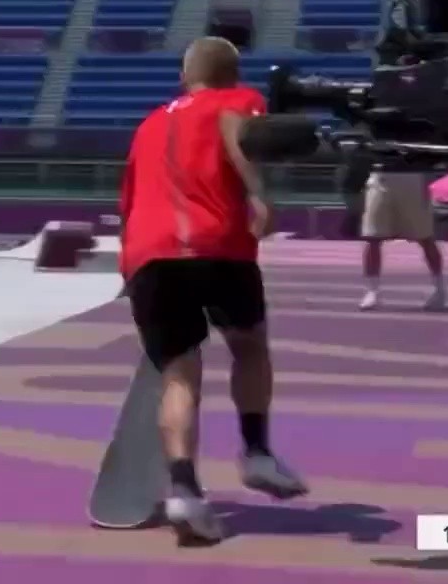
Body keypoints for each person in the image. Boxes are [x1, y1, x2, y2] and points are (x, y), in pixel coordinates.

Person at [119, 37, 309, 545]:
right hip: (217, 245)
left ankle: (184, 491)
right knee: (249, 346)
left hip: (148, 254)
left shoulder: (147, 124)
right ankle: (257, 452)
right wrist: (258, 194)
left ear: (185, 75)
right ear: (232, 74)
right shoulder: (238, 98)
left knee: (180, 374)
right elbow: (233, 129)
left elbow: (129, 201)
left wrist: (130, 271)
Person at [358, 164, 446, 310]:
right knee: (372, 236)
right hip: (381, 175)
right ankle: (372, 291)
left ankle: (439, 289)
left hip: (414, 176)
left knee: (425, 236)